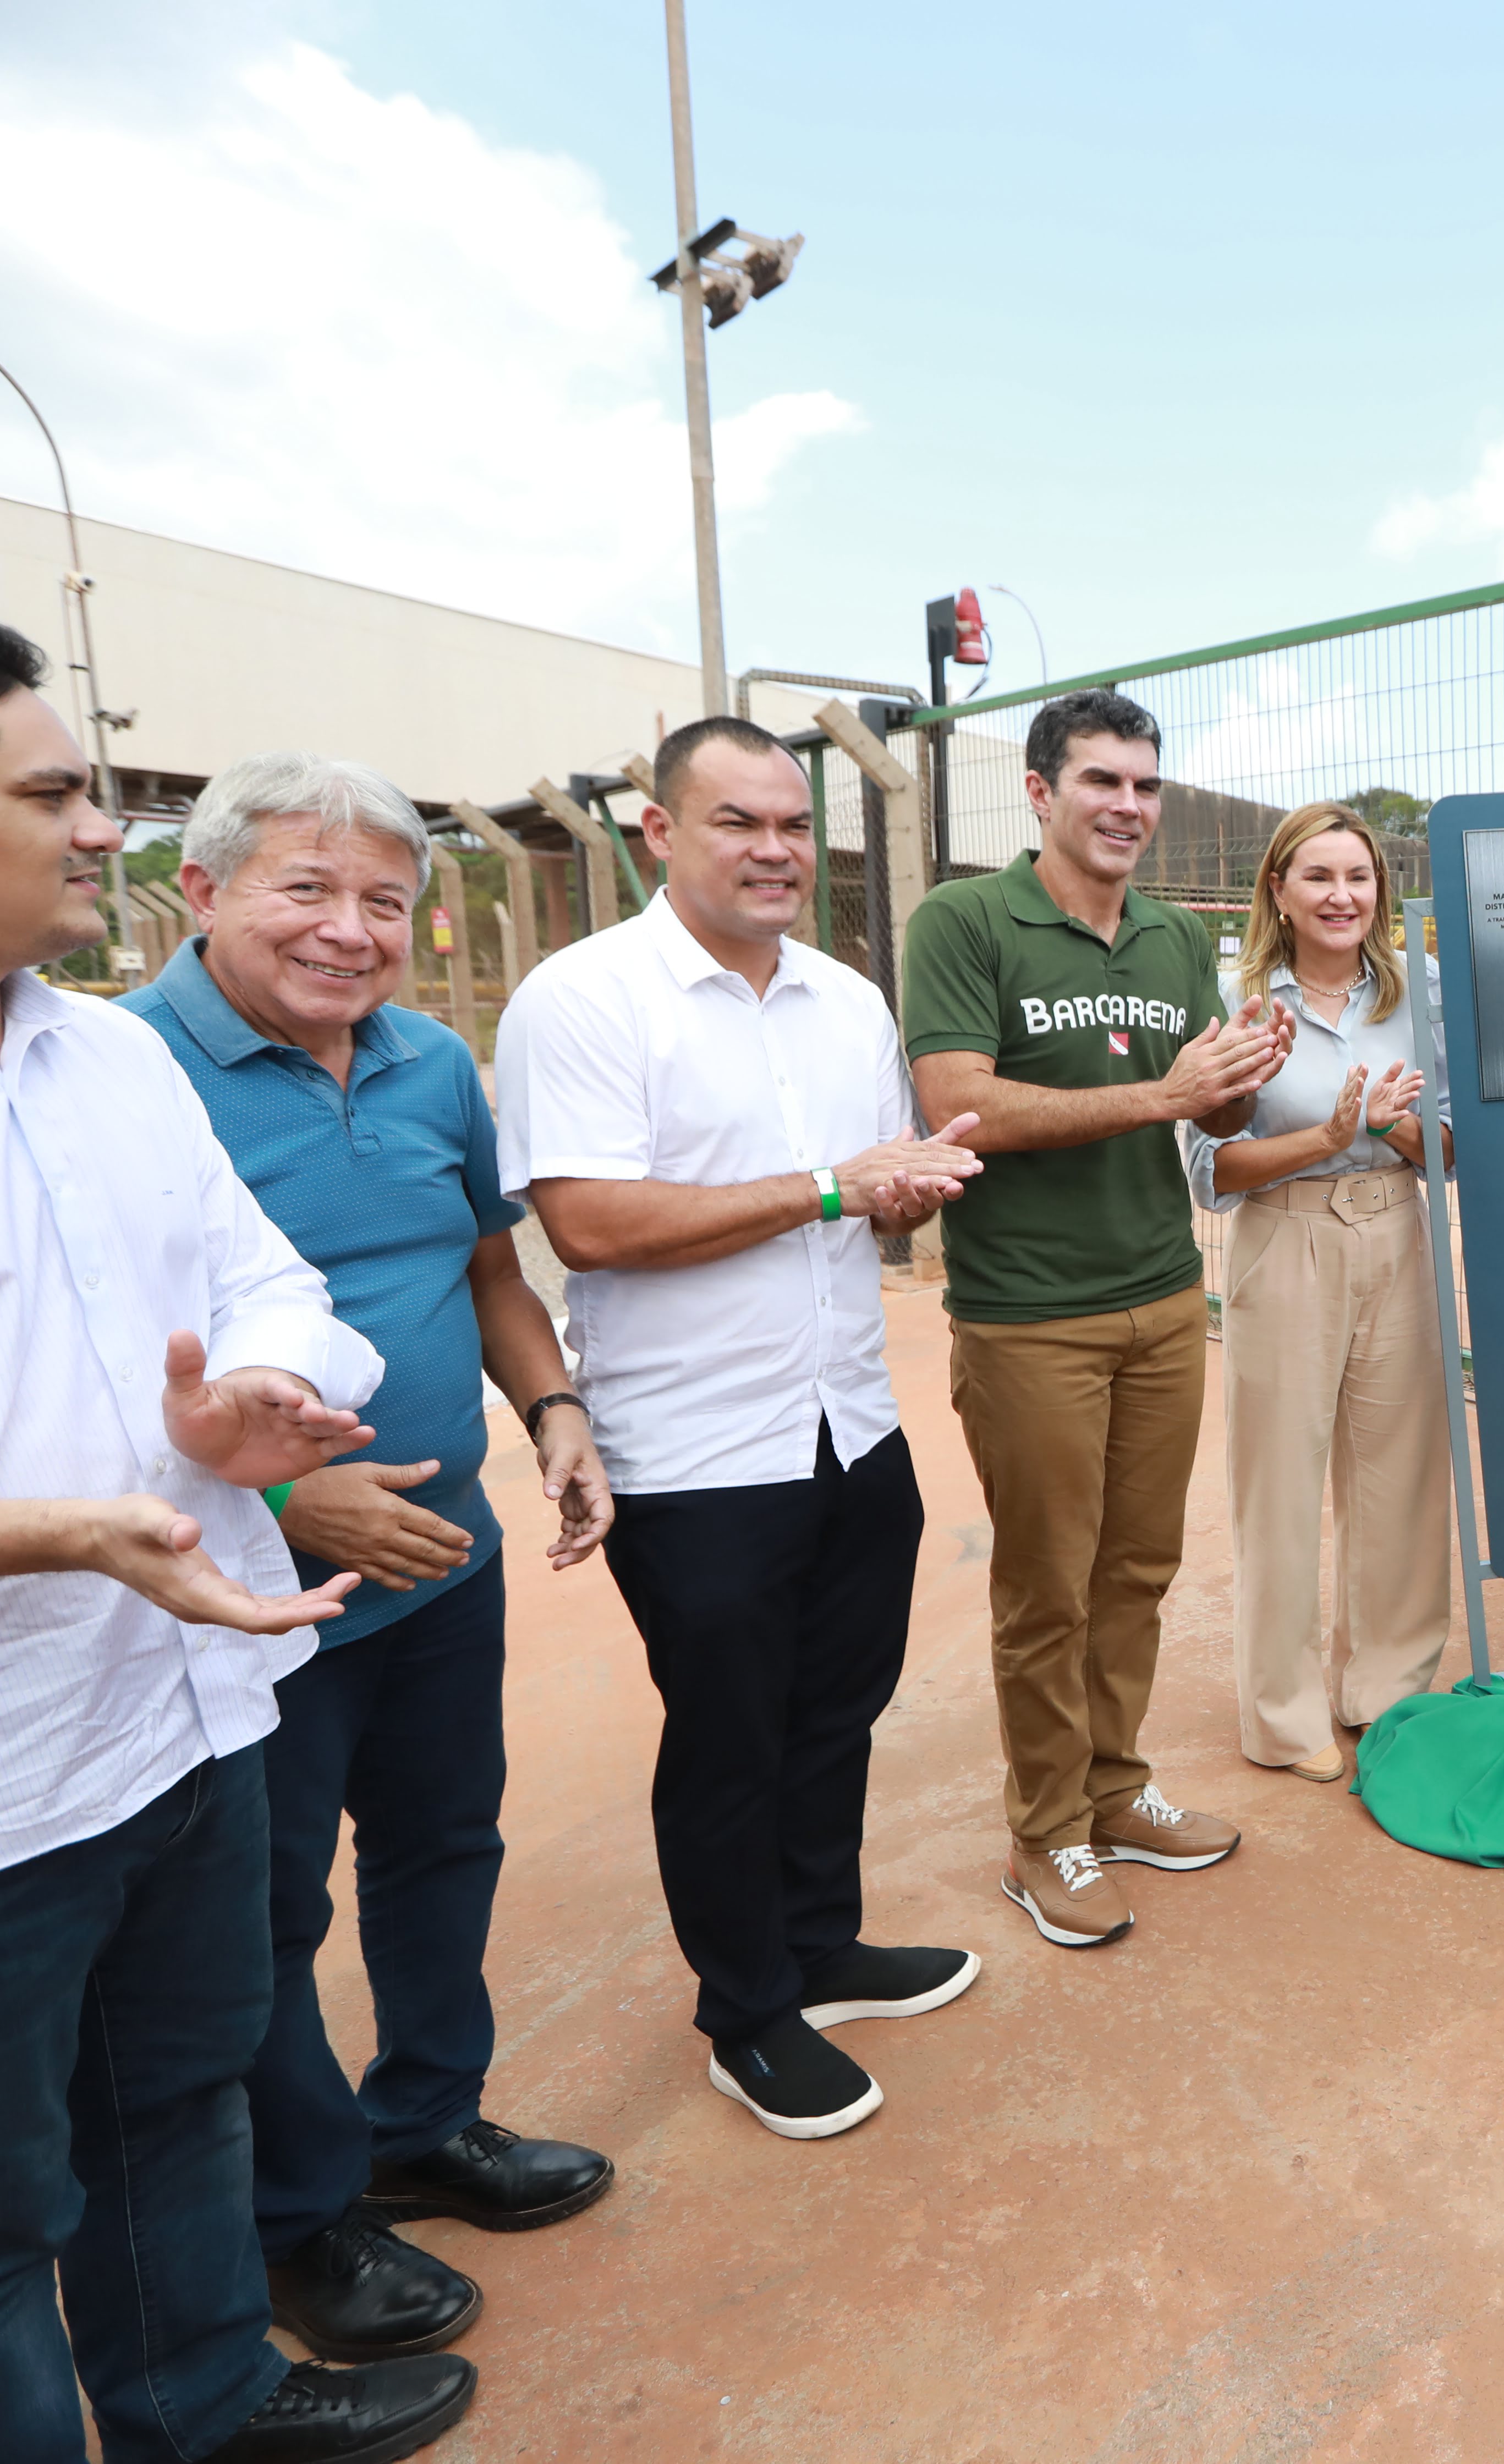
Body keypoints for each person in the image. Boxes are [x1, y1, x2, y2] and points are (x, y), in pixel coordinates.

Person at [0, 598, 471, 2462]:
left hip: (178, 1716)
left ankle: (206, 2402)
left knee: (181, 2102)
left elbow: (261, 1274)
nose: (109, 831)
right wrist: (34, 1532)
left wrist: (250, 1390)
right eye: (60, 790)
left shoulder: (102, 1059)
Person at [123, 754, 619, 2368]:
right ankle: (296, 2214)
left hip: (443, 1566)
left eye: (386, 903)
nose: (352, 931)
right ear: (200, 895)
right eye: (307, 890)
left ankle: (428, 2123)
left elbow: (485, 1267)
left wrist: (548, 1407)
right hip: (242, 1601)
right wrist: (279, 1507)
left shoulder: (430, 1065)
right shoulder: (117, 1075)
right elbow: (82, 1363)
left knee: (440, 1847)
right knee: (259, 1918)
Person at [494, 713, 988, 2143]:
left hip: (850, 1428)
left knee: (838, 1709)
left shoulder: (845, 999)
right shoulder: (586, 1001)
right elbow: (587, 1220)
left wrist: (890, 1194)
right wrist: (834, 1189)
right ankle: (748, 2013)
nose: (775, 850)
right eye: (738, 823)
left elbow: (869, 1184)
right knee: (729, 1736)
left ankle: (820, 1946)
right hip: (698, 1456)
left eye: (790, 826)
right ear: (662, 833)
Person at [904, 690, 1285, 1946]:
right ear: (1039, 792)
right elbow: (963, 1104)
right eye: (1101, 782)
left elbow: (1204, 1115)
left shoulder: (1176, 939)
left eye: (1145, 785)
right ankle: (1045, 1832)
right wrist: (1161, 1093)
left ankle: (1117, 1791)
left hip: (1167, 1301)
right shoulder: (965, 921)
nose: (1128, 806)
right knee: (1047, 1586)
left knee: (1137, 1568)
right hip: (1030, 1317)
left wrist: (1236, 1086)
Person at [1185, 800, 1454, 1781]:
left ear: (1380, 890)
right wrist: (1330, 1135)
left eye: (1359, 877)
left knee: (1401, 1478)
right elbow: (1210, 1172)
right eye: (1320, 878)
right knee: (1281, 1487)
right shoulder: (1241, 1000)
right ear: (1279, 891)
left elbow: (1456, 1150)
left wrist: (1390, 1132)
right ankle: (1285, 1715)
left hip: (1397, 1229)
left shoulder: (1419, 991)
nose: (1343, 896)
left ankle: (1386, 1689)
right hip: (1285, 1238)